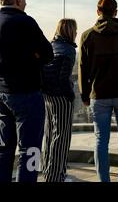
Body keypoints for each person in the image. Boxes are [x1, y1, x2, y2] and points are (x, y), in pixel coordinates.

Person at [0, 0, 53, 182]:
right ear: (18, 0)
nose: (25, 4)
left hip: (2, 95)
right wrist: (34, 55)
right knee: (30, 150)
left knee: (4, 149)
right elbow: (48, 54)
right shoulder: (25, 21)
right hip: (26, 94)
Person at [79, 0, 118, 182]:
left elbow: (83, 69)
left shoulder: (87, 35)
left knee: (101, 141)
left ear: (98, 12)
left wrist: (84, 95)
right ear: (115, 12)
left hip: (99, 95)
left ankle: (104, 180)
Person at [42, 19, 78, 182]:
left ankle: (48, 170)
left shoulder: (51, 46)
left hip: (48, 95)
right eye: (75, 30)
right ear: (70, 31)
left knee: (50, 133)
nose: (76, 33)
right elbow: (63, 77)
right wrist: (70, 95)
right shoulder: (69, 50)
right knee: (61, 137)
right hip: (61, 97)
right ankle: (56, 175)